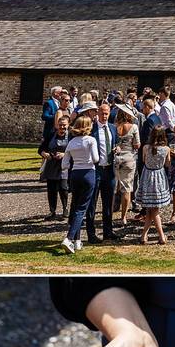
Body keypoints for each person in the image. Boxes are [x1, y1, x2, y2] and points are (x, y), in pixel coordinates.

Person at [60, 115, 99, 254]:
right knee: (81, 208)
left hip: (75, 174)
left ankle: (77, 241)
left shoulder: (71, 142)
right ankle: (69, 238)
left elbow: (64, 164)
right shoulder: (91, 140)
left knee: (75, 206)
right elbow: (96, 158)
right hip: (88, 173)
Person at [86, 103, 117, 243]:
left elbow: (116, 144)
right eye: (102, 113)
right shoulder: (92, 129)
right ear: (97, 113)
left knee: (108, 203)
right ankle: (91, 233)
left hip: (109, 170)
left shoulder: (112, 128)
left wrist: (117, 149)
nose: (104, 116)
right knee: (92, 203)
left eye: (107, 113)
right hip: (96, 170)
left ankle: (108, 231)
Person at [137, 126, 171, 245]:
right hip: (159, 177)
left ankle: (143, 235)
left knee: (150, 209)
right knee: (154, 209)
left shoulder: (146, 147)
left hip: (147, 176)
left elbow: (144, 160)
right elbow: (167, 164)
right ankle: (161, 236)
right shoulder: (166, 149)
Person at [38, 114, 70, 220]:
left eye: (64, 125)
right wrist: (45, 154)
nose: (62, 127)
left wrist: (64, 155)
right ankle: (52, 211)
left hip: (64, 166)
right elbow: (41, 149)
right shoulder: (51, 135)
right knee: (51, 189)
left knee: (63, 188)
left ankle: (65, 209)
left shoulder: (71, 137)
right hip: (51, 165)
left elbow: (75, 152)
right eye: (60, 125)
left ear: (68, 125)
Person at [112, 105, 140, 227]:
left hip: (116, 158)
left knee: (114, 188)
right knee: (126, 188)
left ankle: (109, 213)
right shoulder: (134, 127)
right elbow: (137, 144)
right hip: (129, 158)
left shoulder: (114, 127)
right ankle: (123, 217)